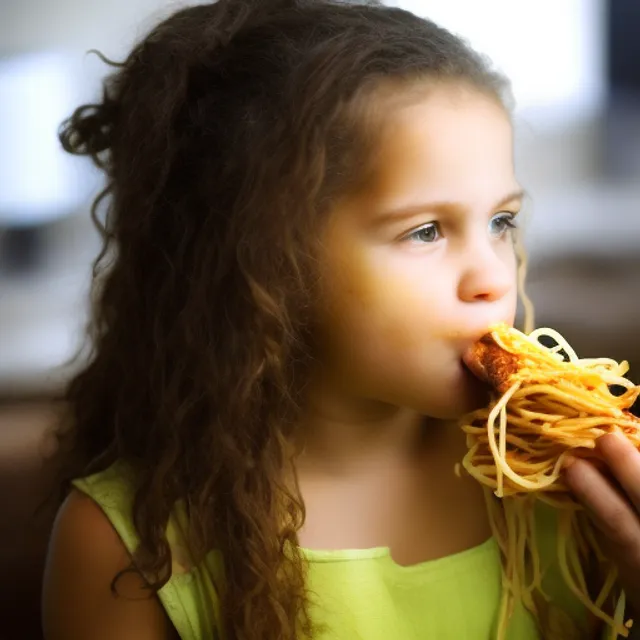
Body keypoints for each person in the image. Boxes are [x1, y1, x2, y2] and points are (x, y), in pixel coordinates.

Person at [41, 1, 640, 639]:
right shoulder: (123, 548)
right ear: (265, 260)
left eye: (501, 222)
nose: (493, 277)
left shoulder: (561, 482)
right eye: (427, 230)